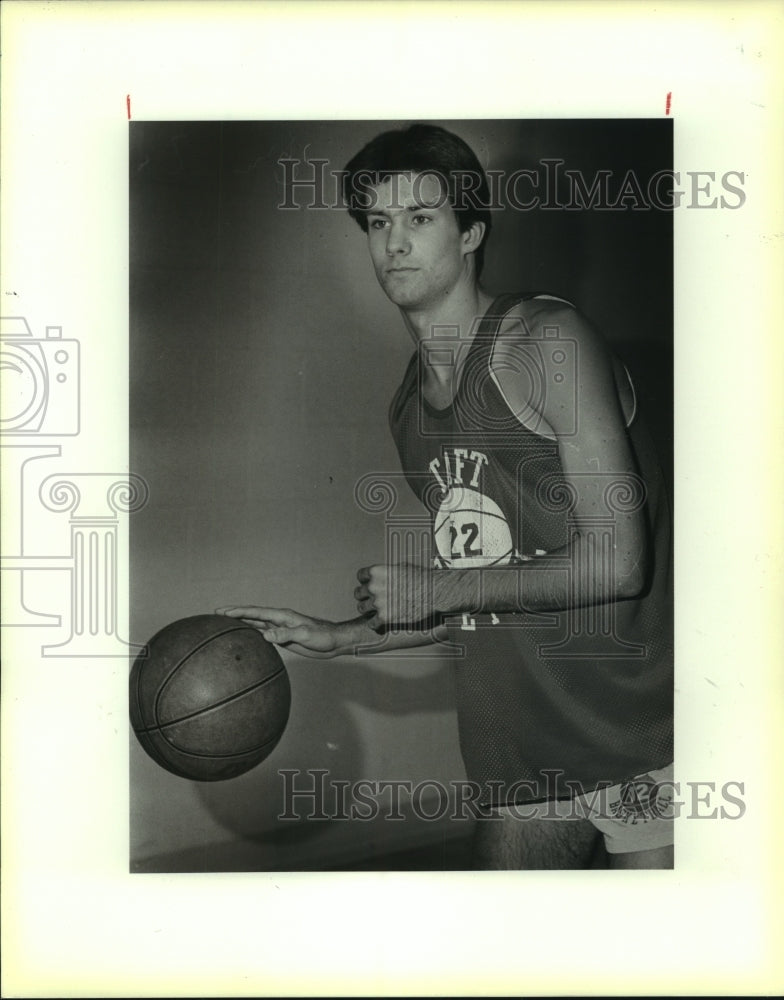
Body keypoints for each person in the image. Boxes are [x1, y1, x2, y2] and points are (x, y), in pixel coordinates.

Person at [218, 124, 673, 870]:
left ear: (471, 234)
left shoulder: (545, 343)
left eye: (420, 218)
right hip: (525, 749)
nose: (394, 242)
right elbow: (481, 591)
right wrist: (339, 636)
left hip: (642, 731)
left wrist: (433, 585)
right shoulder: (408, 408)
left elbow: (621, 563)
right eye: (377, 222)